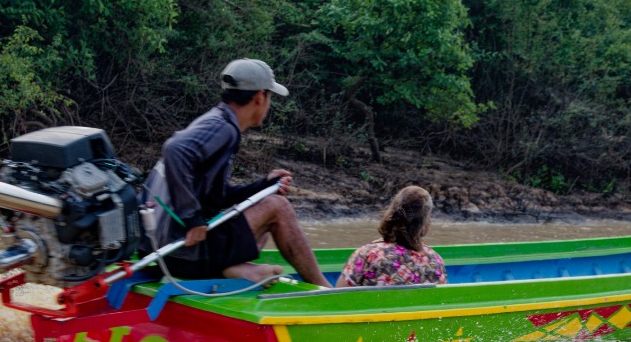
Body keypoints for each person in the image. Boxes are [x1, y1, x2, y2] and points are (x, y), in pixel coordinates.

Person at [148, 58, 328, 286]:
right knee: (278, 207)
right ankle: (325, 289)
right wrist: (192, 219)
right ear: (260, 97)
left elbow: (219, 197)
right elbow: (175, 149)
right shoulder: (224, 127)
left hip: (162, 250)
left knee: (266, 200)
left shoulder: (215, 121)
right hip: (182, 252)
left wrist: (263, 185)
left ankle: (234, 269)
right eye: (270, 98)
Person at [336, 186, 447, 288]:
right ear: (426, 222)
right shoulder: (436, 262)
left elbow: (337, 297)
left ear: (392, 213)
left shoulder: (368, 254)